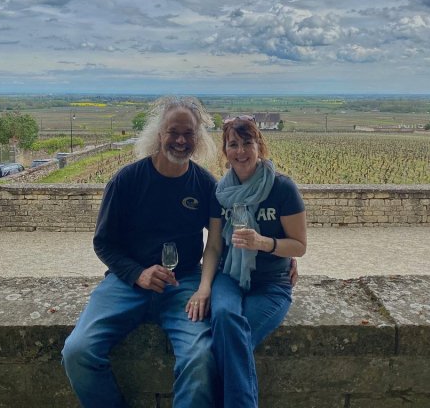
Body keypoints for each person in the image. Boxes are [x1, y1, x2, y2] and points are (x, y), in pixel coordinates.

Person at [62, 96, 222, 408]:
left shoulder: (204, 185)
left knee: (201, 358)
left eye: (188, 133)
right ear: (158, 134)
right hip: (125, 283)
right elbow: (103, 242)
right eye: (172, 131)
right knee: (77, 351)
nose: (180, 140)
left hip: (183, 285)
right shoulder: (127, 180)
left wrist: (280, 258)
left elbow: (222, 240)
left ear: (198, 137)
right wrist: (138, 273)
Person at [187, 115, 307, 408]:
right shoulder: (221, 193)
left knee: (228, 343)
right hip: (229, 278)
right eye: (233, 144)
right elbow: (214, 246)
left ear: (259, 146)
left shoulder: (282, 189)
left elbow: (300, 246)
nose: (241, 151)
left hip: (271, 284)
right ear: (225, 151)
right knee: (226, 320)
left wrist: (263, 243)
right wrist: (205, 287)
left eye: (247, 143)